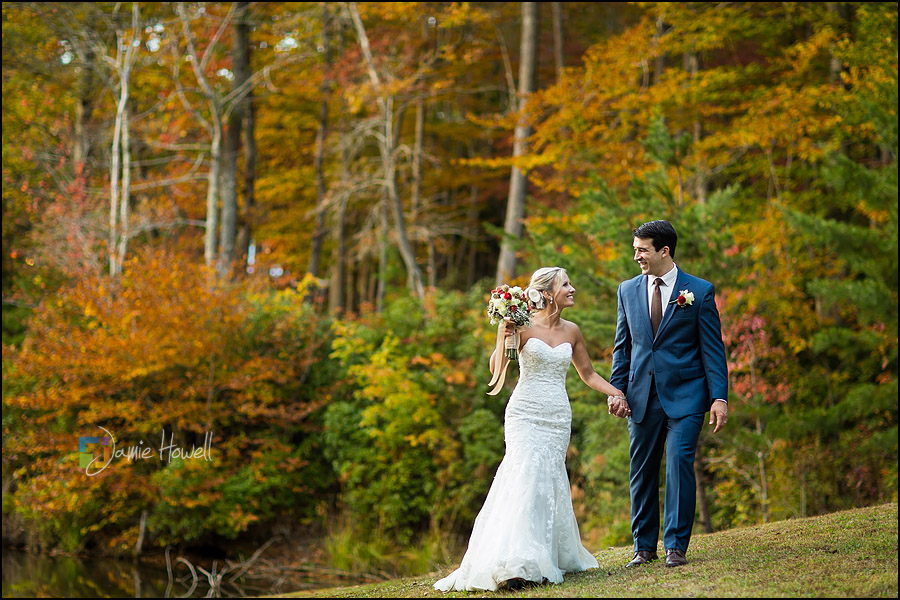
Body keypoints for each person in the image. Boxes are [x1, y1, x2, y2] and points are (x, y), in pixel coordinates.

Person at [434, 267, 623, 592]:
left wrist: (616, 393)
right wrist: (504, 334)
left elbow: (588, 374)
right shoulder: (522, 325)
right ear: (548, 293)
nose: (572, 288)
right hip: (525, 413)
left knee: (546, 477)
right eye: (566, 284)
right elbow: (497, 367)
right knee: (524, 474)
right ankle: (515, 560)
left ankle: (543, 553)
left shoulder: (572, 331)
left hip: (557, 416)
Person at [609, 220, 729, 569]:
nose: (636, 257)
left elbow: (713, 351)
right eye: (635, 249)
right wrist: (617, 391)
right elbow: (623, 348)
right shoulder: (627, 290)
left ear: (664, 251)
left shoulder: (700, 291)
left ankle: (676, 546)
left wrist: (718, 397)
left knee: (678, 464)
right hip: (640, 396)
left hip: (687, 395)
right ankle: (643, 548)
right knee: (642, 471)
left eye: (642, 250)